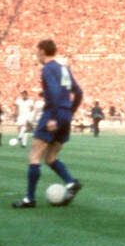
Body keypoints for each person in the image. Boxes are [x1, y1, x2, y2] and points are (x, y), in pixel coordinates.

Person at [13, 40, 83, 208]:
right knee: (51, 157)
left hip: (54, 112)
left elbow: (55, 91)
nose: (37, 55)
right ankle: (70, 182)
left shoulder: (47, 69)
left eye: (38, 51)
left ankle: (30, 199)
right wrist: (70, 111)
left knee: (35, 155)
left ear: (42, 52)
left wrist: (52, 116)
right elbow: (78, 92)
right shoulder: (64, 68)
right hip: (65, 113)